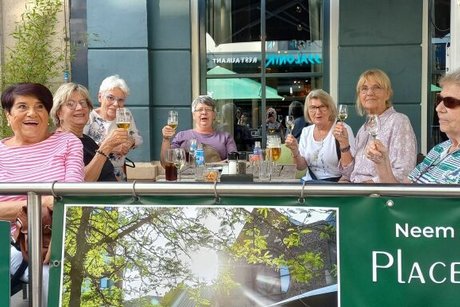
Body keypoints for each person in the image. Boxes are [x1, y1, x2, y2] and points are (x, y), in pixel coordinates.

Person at [0, 83, 84, 306]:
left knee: (57, 281)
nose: (32, 113)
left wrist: (59, 236)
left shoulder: (67, 143)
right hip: (7, 242)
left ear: (48, 114)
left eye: (40, 106)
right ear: (8, 115)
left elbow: (74, 197)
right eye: (22, 107)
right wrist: (41, 202)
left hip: (55, 236)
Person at [367, 68, 460, 183]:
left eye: (449, 102)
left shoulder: (398, 120)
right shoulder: (440, 149)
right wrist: (382, 162)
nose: (438, 108)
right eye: (439, 99)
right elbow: (403, 192)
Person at [334, 69, 417, 183]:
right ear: (360, 96)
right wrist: (344, 144)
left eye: (376, 87)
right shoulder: (363, 129)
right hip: (356, 190)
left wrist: (368, 184)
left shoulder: (399, 121)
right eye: (364, 89)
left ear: (387, 94)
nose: (369, 93)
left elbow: (404, 172)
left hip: (379, 195)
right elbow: (350, 173)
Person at [51, 82, 129, 181]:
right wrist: (106, 147)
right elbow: (81, 183)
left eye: (83, 103)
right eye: (71, 104)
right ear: (59, 112)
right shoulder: (60, 143)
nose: (79, 108)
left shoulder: (86, 140)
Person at [285, 89, 355, 182]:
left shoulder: (342, 129)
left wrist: (343, 143)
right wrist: (295, 151)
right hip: (309, 184)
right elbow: (300, 167)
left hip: (336, 185)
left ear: (330, 109)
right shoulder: (306, 131)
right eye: (313, 107)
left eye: (322, 107)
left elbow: (350, 167)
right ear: (308, 111)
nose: (318, 112)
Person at [84, 75, 143, 181]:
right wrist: (111, 147)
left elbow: (137, 138)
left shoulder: (125, 114)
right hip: (95, 175)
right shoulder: (88, 117)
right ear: (100, 97)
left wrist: (130, 142)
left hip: (118, 176)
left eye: (120, 100)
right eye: (110, 98)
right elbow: (83, 147)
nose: (116, 104)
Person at [161, 95, 237, 165]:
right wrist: (166, 139)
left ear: (214, 115)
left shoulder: (225, 137)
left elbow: (233, 162)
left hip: (217, 178)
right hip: (188, 178)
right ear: (194, 115)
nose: (204, 112)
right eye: (200, 110)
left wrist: (207, 166)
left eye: (208, 109)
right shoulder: (181, 136)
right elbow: (166, 163)